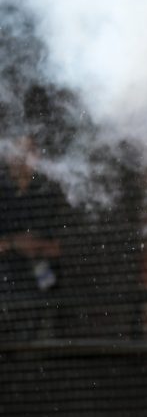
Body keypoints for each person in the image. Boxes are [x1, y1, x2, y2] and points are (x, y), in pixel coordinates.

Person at [0, 134, 65, 340]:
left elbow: (61, 246)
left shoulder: (49, 193)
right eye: (20, 151)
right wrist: (14, 243)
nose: (25, 158)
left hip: (41, 280)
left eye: (31, 151)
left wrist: (35, 246)